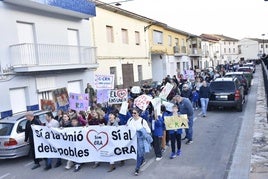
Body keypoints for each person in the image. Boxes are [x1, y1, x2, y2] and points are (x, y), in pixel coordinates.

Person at [127, 108, 152, 176]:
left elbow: (148, 131)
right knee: (137, 153)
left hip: (140, 140)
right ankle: (143, 159)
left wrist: (141, 131)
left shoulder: (142, 121)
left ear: (138, 113)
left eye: (135, 113)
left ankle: (137, 168)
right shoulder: (130, 120)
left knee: (139, 153)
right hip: (132, 140)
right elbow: (126, 128)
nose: (133, 114)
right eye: (132, 113)